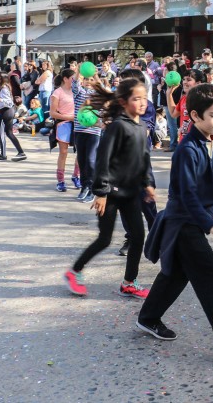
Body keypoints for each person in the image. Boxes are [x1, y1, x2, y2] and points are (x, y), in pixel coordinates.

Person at [137, 84, 213, 362]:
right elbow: (187, 194)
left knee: (176, 274)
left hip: (195, 219)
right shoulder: (187, 150)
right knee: (212, 276)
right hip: (183, 223)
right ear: (194, 116)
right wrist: (209, 224)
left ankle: (148, 317)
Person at [63, 77, 153, 300]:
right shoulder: (117, 127)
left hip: (131, 193)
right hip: (111, 193)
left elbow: (144, 158)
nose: (142, 103)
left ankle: (129, 283)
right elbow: (103, 159)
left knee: (138, 237)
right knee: (105, 238)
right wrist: (100, 192)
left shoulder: (141, 128)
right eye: (136, 99)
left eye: (144, 98)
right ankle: (74, 272)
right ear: (123, 102)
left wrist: (148, 183)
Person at [73, 72, 103, 203]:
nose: (88, 81)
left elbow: (103, 90)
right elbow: (74, 84)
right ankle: (84, 186)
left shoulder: (97, 95)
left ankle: (92, 188)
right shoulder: (79, 93)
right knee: (82, 160)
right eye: (86, 79)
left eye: (91, 80)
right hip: (79, 130)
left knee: (91, 160)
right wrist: (78, 71)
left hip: (93, 131)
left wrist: (96, 77)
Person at [0, 72, 27, 162]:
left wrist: (0, 99)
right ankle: (21, 152)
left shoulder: (4, 88)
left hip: (6, 112)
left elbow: (10, 102)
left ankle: (3, 155)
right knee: (9, 133)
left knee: (1, 133)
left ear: (2, 78)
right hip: (4, 111)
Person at [50, 69, 76, 191]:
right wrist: (68, 117)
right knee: (63, 152)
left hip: (78, 124)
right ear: (65, 79)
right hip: (63, 124)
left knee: (81, 152)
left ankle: (76, 176)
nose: (75, 80)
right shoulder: (57, 92)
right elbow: (53, 113)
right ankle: (60, 180)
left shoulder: (77, 91)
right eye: (72, 78)